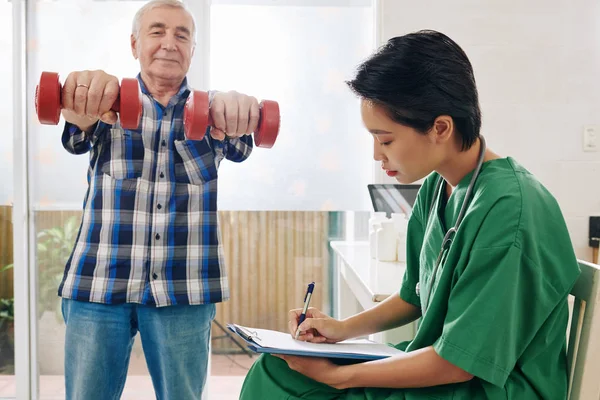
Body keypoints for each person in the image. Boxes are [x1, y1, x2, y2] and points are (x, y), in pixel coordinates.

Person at [240, 30, 581, 399]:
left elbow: (460, 363)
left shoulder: (511, 210)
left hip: (488, 388)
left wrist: (340, 378)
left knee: (311, 385)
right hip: (441, 367)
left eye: (385, 140)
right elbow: (413, 297)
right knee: (277, 369)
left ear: (441, 128)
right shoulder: (438, 188)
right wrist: (340, 329)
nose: (377, 155)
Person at [58, 1, 261, 399]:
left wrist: (239, 106)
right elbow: (75, 137)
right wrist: (79, 101)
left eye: (181, 34)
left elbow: (240, 146)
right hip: (97, 283)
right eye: (157, 31)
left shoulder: (216, 113)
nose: (170, 42)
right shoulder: (104, 104)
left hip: (183, 290)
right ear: (135, 44)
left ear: (192, 50)